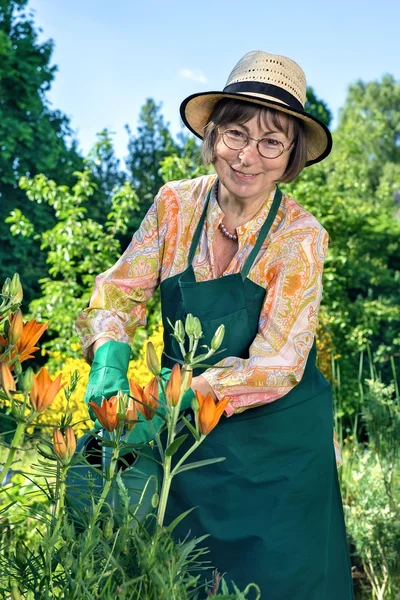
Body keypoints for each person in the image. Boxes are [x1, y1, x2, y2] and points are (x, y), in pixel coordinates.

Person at [76, 50, 354, 599]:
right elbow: (119, 289)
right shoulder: (175, 204)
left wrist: (166, 399)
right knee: (179, 571)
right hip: (188, 434)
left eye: (271, 142)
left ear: (291, 155)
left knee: (280, 579)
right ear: (212, 137)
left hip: (280, 443)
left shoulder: (300, 237)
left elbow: (276, 364)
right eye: (235, 134)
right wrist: (109, 351)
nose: (248, 156)